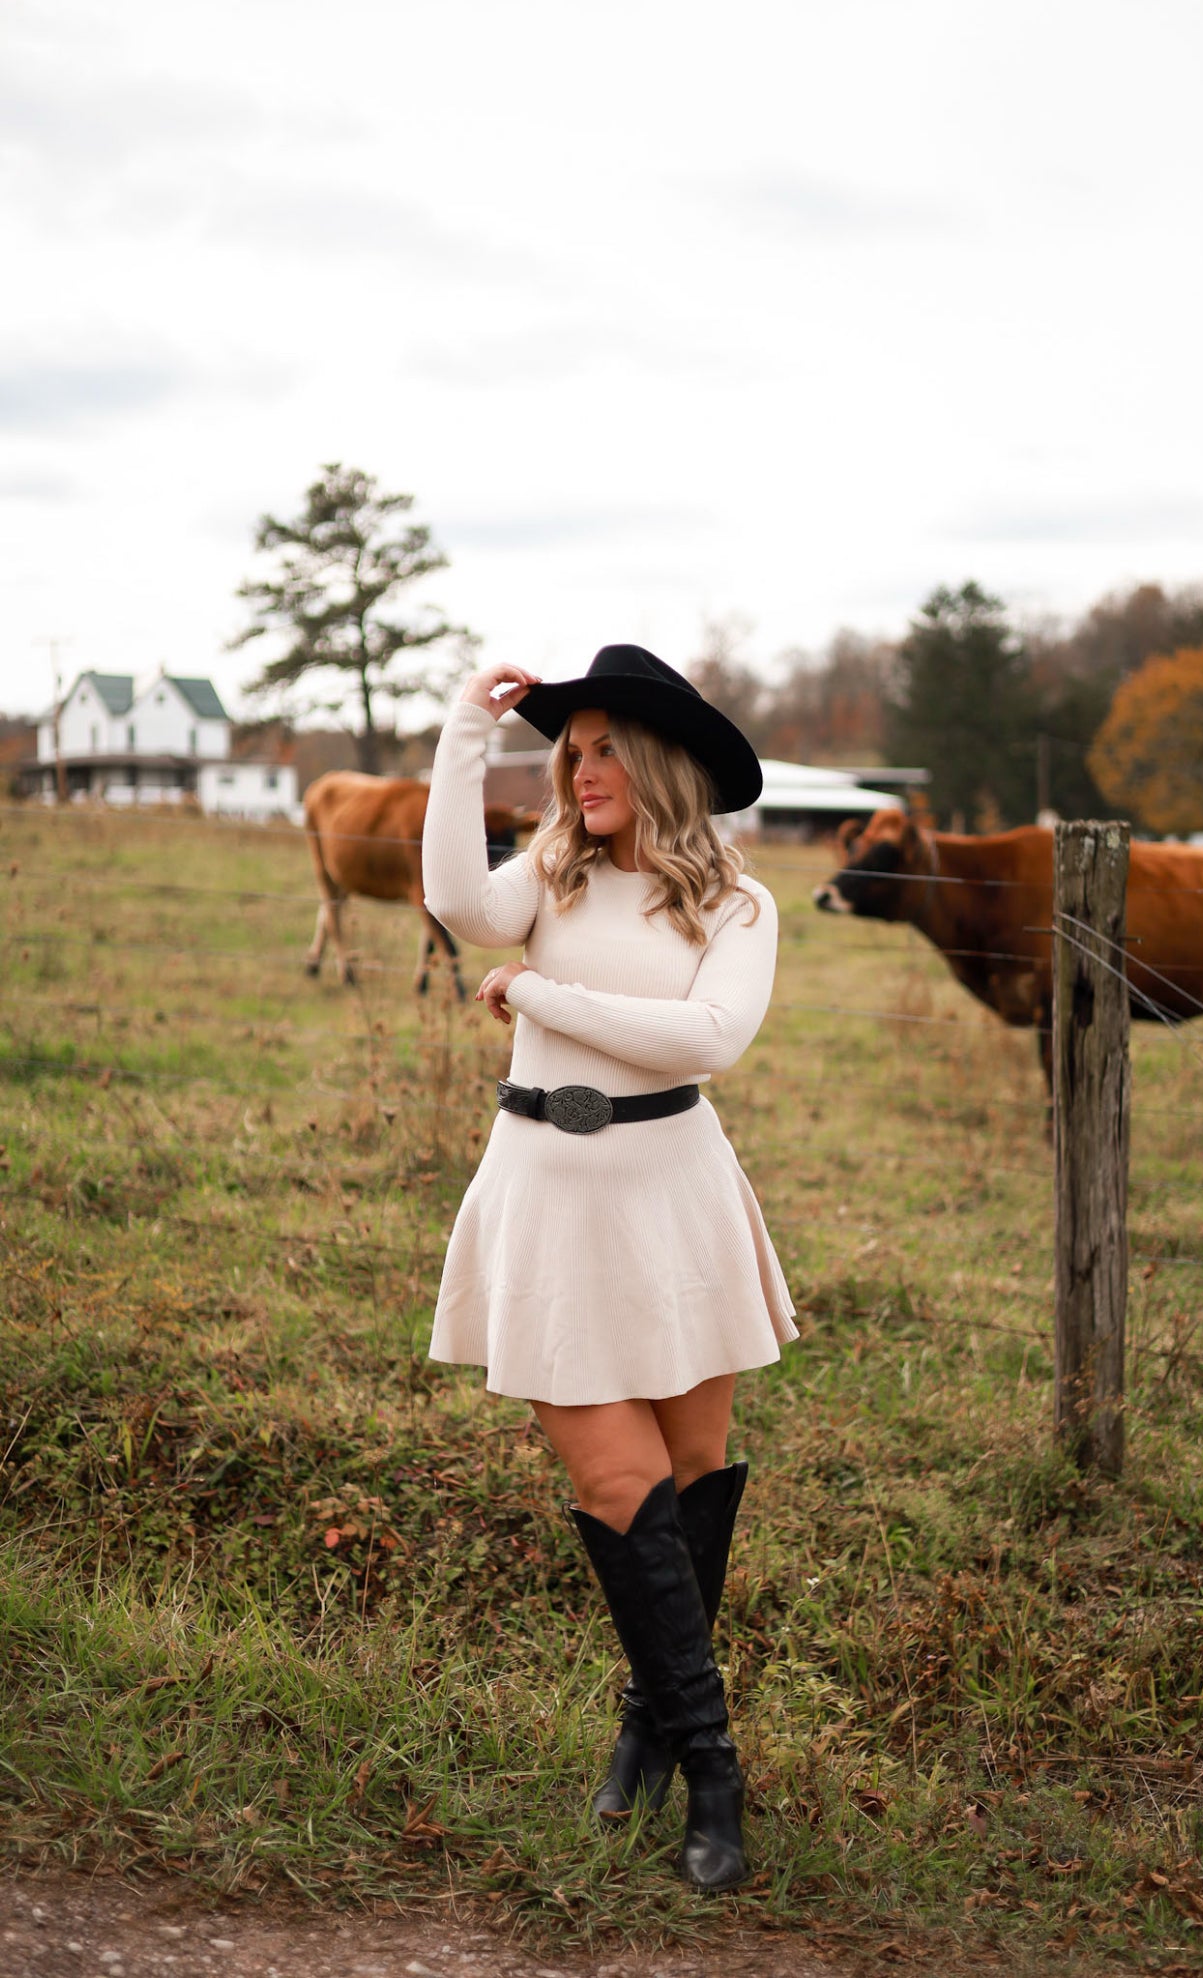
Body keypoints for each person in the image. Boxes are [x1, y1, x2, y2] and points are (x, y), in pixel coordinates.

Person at [421, 644, 797, 1892]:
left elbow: (709, 1038)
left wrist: (539, 991)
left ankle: (647, 1719)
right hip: (545, 1201)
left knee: (692, 1482)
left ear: (660, 762)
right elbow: (453, 906)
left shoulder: (739, 904)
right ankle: (716, 1772)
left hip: (673, 1197)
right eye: (568, 751)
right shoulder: (549, 875)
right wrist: (463, 732)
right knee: (621, 1482)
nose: (579, 771)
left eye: (600, 749)